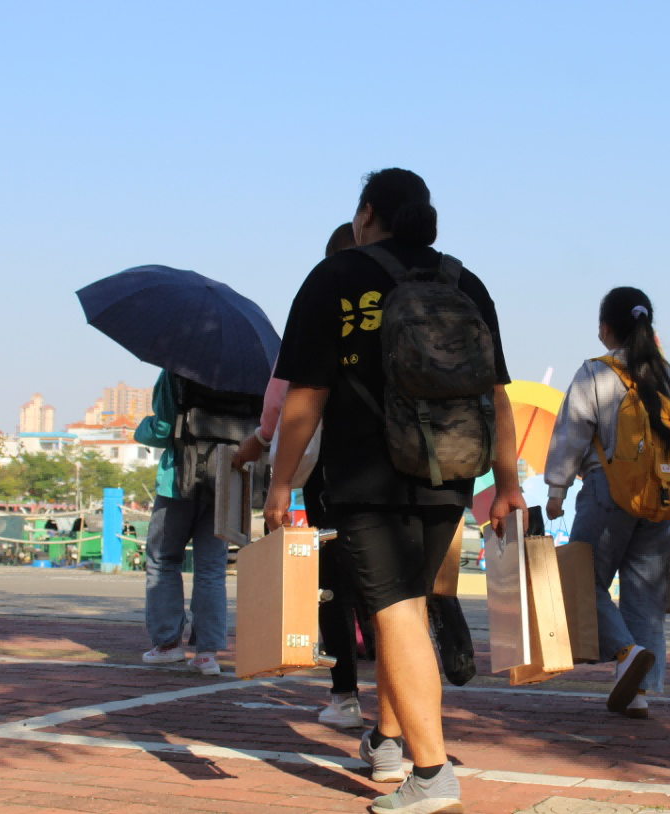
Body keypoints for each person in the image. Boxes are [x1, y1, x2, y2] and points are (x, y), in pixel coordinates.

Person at [263, 168, 525, 813]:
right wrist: (508, 483)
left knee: (396, 610)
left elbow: (306, 396)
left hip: (365, 474)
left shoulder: (336, 276)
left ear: (366, 214)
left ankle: (431, 774)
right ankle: (386, 739)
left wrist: (280, 483)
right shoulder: (464, 282)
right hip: (452, 472)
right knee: (403, 606)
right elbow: (496, 395)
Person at [234, 222, 367, 728]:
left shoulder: (322, 296)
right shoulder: (404, 297)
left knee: (332, 578)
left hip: (328, 462)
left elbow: (285, 396)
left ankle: (345, 695)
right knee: (392, 587)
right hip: (395, 462)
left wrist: (277, 474)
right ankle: (401, 718)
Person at [544, 287, 670, 719]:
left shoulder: (595, 372)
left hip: (607, 492)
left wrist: (556, 491)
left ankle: (626, 653)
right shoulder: (666, 376)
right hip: (661, 497)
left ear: (606, 328)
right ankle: (639, 692)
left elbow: (571, 432)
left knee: (580, 580)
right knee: (645, 596)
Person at [135, 370, 229, 676]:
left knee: (162, 560)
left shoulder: (177, 370)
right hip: (227, 478)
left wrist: (141, 429)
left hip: (179, 478)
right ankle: (208, 653)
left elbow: (163, 428)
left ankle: (167, 644)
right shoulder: (245, 373)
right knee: (212, 569)